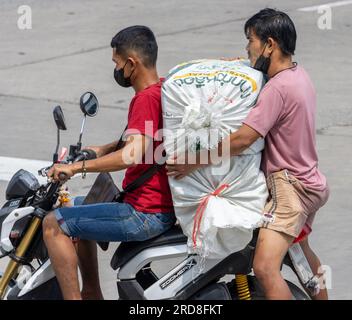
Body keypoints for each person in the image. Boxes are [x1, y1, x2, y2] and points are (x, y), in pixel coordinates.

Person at [166, 9, 329, 300]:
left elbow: (242, 139)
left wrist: (193, 162)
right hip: (311, 180)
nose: (246, 47)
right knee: (301, 254)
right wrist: (240, 64)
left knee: (265, 268)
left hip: (289, 190)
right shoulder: (299, 76)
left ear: (269, 44)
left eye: (250, 41)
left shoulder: (276, 89)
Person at [43, 25, 175, 300]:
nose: (116, 70)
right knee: (78, 205)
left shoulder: (144, 100)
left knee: (53, 224)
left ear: (131, 64)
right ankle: (91, 291)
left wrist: (75, 167)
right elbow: (146, 141)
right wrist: (100, 150)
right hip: (155, 206)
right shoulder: (162, 90)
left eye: (117, 63)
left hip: (143, 213)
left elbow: (131, 154)